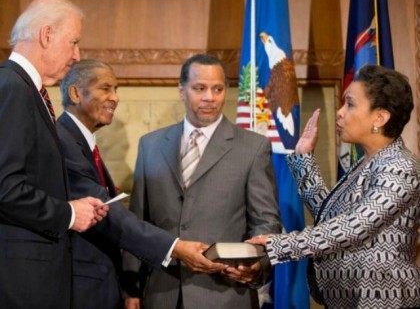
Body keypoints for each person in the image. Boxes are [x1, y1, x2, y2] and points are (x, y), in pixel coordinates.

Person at [56, 59, 226, 309]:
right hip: (80, 288)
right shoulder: (64, 141)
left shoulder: (81, 142)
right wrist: (175, 247)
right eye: (105, 88)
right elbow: (110, 216)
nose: (115, 98)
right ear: (75, 93)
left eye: (116, 89)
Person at [248, 65, 420, 308]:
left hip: (382, 299)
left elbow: (356, 226)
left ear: (379, 117)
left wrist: (280, 245)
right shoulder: (367, 162)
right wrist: (303, 160)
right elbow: (332, 220)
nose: (339, 113)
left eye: (350, 104)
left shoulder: (400, 166)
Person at [124, 53, 281, 309]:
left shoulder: (253, 147)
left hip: (225, 294)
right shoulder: (150, 145)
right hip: (161, 294)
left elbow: (266, 221)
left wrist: (256, 267)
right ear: (182, 90)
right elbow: (138, 223)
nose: (210, 97)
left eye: (217, 89)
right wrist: (131, 289)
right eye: (200, 88)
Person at [0, 0, 108, 308]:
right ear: (46, 35)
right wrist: (69, 214)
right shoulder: (12, 88)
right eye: (73, 42)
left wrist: (72, 204)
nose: (77, 55)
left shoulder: (24, 88)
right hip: (20, 284)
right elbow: (5, 187)